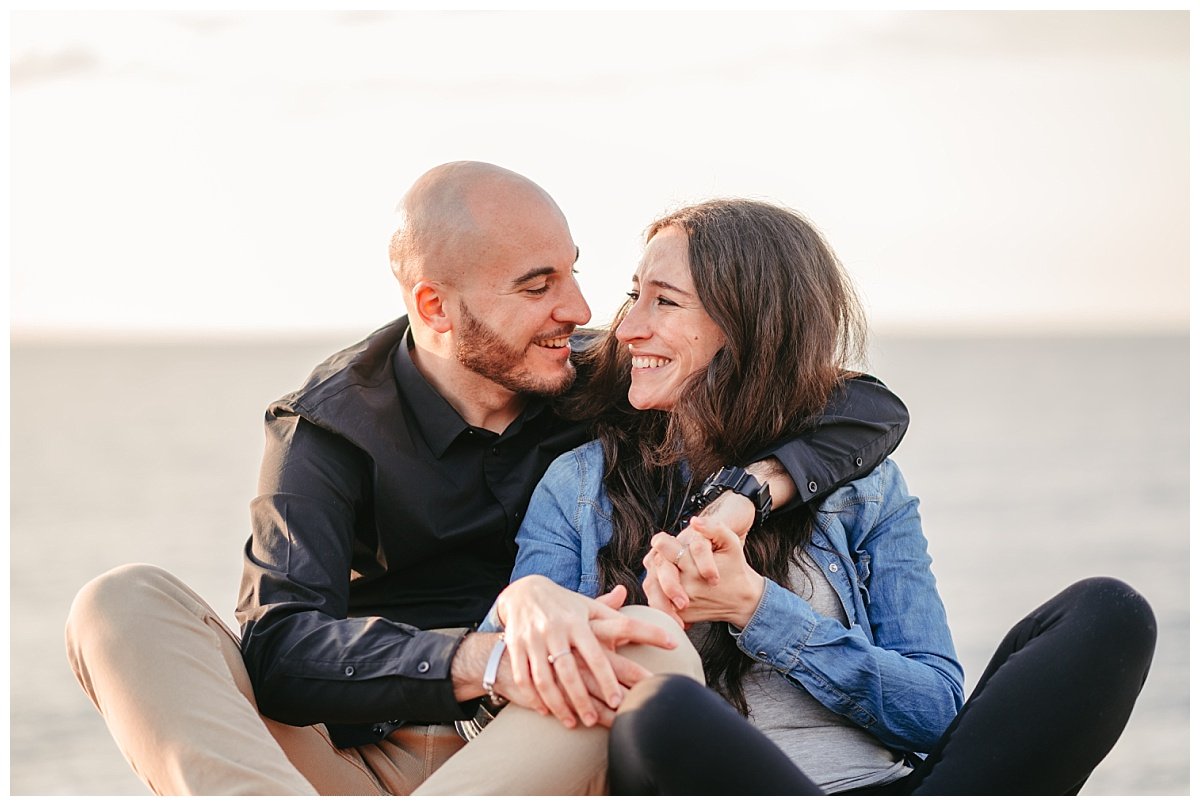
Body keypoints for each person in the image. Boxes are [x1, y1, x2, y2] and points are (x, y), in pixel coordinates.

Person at [64, 162, 912, 796]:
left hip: (531, 749)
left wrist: (751, 489)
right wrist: (490, 657)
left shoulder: (588, 371)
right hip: (339, 758)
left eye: (576, 272)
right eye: (539, 286)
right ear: (435, 308)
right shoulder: (327, 426)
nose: (581, 311)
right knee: (119, 600)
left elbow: (861, 406)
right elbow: (281, 646)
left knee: (649, 660)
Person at [509, 198, 1158, 795]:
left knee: (1108, 612)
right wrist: (536, 614)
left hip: (890, 787)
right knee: (660, 713)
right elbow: (511, 695)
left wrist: (757, 609)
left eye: (665, 303)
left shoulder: (862, 485)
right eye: (634, 297)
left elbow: (934, 716)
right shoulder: (580, 486)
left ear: (747, 328)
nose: (626, 329)